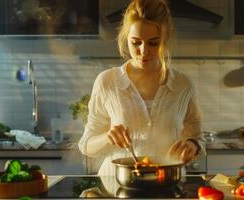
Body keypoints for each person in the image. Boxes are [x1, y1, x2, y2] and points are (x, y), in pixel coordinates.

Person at [78, 0, 205, 176]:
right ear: (126, 39)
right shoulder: (107, 81)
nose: (143, 51)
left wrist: (192, 146)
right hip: (117, 184)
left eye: (153, 43)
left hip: (167, 184)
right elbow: (86, 146)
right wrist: (107, 136)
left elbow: (198, 139)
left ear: (165, 40)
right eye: (136, 42)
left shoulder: (183, 84)